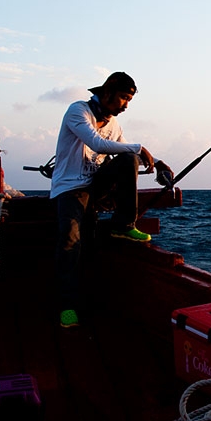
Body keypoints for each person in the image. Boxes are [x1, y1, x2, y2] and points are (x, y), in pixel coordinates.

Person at [50, 71, 172, 328]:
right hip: (70, 188)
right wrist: (139, 149)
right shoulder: (78, 111)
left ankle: (123, 225)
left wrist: (158, 162)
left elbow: (127, 150)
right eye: (123, 98)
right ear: (107, 93)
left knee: (127, 159)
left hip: (96, 186)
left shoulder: (114, 125)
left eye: (129, 100)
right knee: (70, 240)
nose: (126, 105)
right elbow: (96, 143)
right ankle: (67, 306)